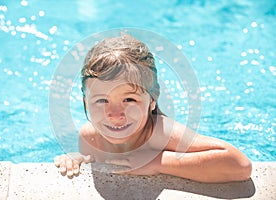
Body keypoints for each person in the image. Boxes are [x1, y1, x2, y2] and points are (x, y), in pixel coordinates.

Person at [54, 34, 252, 183]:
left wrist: (158, 163)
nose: (115, 115)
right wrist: (77, 159)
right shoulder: (90, 136)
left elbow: (240, 165)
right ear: (85, 100)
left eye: (129, 99)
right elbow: (97, 163)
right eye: (101, 101)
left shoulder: (160, 132)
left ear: (152, 98)